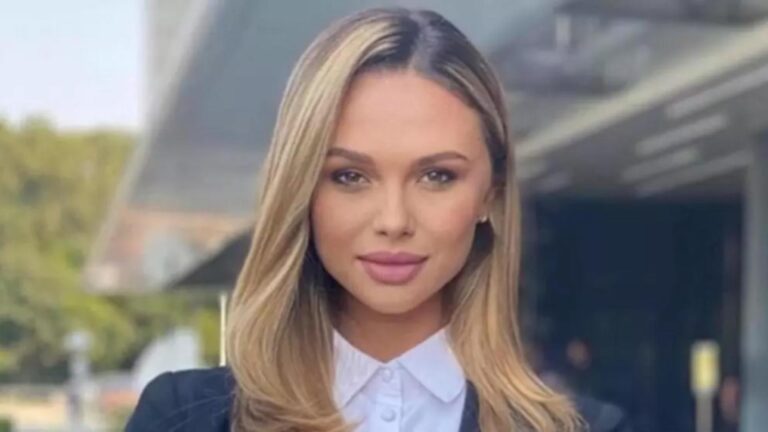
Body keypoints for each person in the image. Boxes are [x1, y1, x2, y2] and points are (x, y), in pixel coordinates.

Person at [126, 7, 631, 432]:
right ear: (301, 189)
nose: (394, 220)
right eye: (349, 176)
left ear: (489, 197)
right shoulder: (183, 417)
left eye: (436, 176)